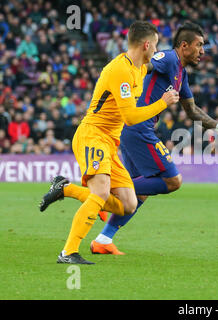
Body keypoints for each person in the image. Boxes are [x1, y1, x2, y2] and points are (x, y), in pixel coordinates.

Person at [90, 21, 218, 254]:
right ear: (184, 46)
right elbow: (148, 63)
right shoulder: (169, 58)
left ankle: (103, 240)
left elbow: (192, 111)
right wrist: (129, 80)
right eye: (199, 45)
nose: (203, 51)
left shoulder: (181, 74)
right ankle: (109, 191)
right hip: (139, 127)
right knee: (173, 181)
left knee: (142, 191)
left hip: (134, 130)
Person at [39, 21, 180, 264]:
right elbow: (130, 117)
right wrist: (163, 103)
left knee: (127, 204)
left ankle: (65, 188)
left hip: (109, 142)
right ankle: (68, 252)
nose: (156, 50)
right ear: (146, 44)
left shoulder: (140, 69)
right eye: (155, 45)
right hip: (92, 134)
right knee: (101, 192)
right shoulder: (120, 71)